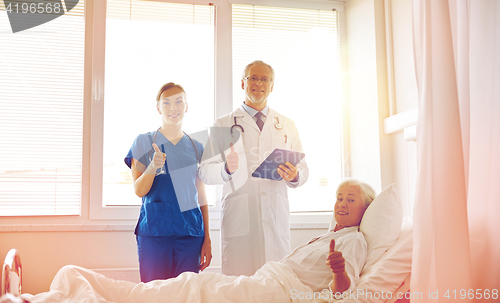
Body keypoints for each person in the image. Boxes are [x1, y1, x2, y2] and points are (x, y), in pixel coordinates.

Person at [11, 179, 374, 303]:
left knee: (179, 291)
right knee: (179, 288)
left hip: (269, 293)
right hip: (257, 284)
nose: (341, 203)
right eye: (339, 197)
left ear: (366, 209)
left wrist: (340, 272)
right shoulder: (329, 236)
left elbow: (342, 294)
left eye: (350, 199)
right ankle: (61, 291)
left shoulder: (353, 243)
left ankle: (55, 294)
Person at [199, 60, 309, 276]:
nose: (259, 83)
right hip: (239, 218)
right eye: (253, 78)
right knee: (239, 287)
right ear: (242, 83)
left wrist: (295, 175)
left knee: (275, 284)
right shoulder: (223, 124)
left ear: (272, 86)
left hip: (274, 216)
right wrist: (225, 170)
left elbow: (303, 168)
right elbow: (204, 171)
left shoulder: (287, 124)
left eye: (265, 79)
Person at [124, 82, 212, 282]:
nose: (173, 107)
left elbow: (201, 195)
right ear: (158, 108)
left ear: (187, 107)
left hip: (190, 234)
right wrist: (152, 167)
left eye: (179, 101)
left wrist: (207, 238)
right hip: (154, 234)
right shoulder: (143, 141)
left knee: (185, 294)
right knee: (155, 294)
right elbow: (139, 190)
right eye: (167, 103)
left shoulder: (196, 147)